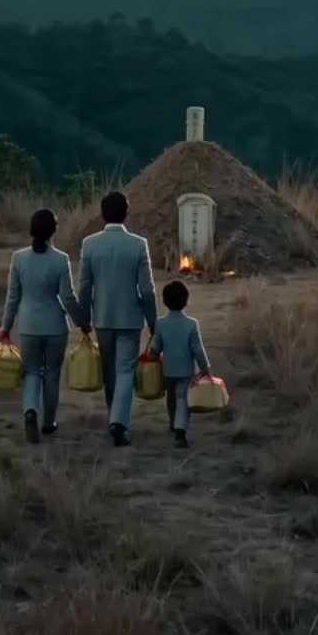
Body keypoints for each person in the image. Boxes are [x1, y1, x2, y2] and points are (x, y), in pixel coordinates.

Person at [77, 189, 157, 447]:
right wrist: (153, 320)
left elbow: (85, 287)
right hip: (130, 318)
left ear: (102, 214)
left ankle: (114, 416)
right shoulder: (138, 245)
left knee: (110, 372)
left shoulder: (89, 244)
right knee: (125, 371)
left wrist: (83, 318)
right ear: (126, 214)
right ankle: (118, 422)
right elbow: (147, 290)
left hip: (102, 317)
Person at [0, 207, 84, 445]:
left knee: (31, 372)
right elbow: (67, 298)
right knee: (52, 374)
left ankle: (30, 411)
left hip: (28, 326)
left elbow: (13, 298)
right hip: (55, 326)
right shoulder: (61, 260)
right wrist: (82, 322)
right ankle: (48, 422)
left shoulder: (18, 258)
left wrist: (5, 326)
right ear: (53, 231)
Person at [148, 277, 210, 449]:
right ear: (186, 300)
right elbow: (198, 349)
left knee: (171, 398)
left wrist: (152, 356)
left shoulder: (161, 324)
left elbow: (156, 347)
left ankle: (173, 422)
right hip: (186, 371)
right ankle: (180, 429)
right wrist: (205, 368)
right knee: (183, 399)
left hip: (168, 370)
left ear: (164, 301)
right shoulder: (191, 324)